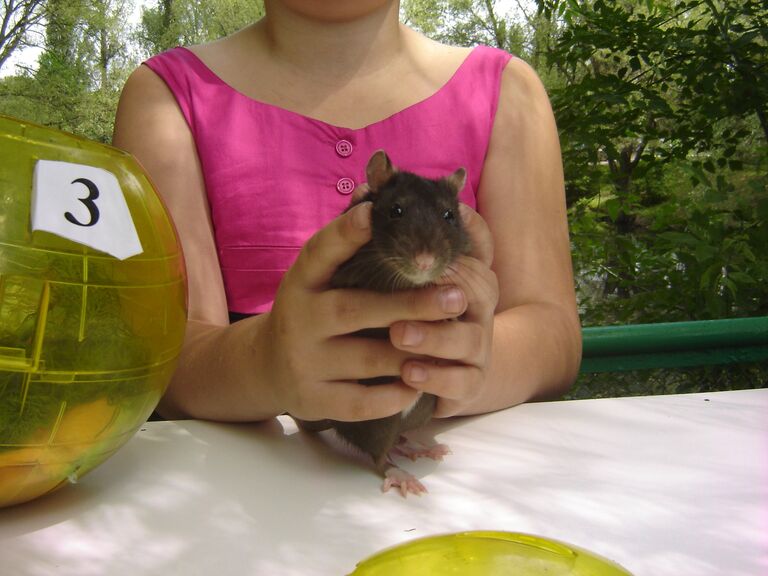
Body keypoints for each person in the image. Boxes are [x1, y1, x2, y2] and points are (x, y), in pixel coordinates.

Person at [112, 0, 581, 423]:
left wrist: (462, 366)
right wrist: (266, 364)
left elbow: (554, 336)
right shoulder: (165, 97)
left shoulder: (507, 92)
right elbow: (167, 361)